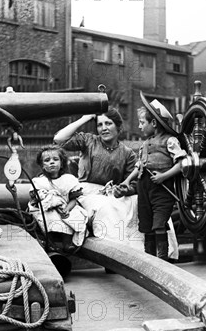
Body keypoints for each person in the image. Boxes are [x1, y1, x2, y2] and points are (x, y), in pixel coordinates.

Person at [121, 93, 187, 261]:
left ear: (154, 123)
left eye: (142, 122)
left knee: (159, 225)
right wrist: (127, 180)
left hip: (162, 190)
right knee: (146, 226)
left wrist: (164, 176)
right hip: (144, 189)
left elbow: (182, 163)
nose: (140, 126)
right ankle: (150, 262)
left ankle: (162, 262)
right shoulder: (144, 144)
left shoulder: (170, 141)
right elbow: (139, 166)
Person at [53, 108, 137, 198]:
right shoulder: (88, 141)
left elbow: (133, 185)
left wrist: (125, 190)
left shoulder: (128, 154)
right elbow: (59, 139)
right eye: (100, 125)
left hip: (110, 197)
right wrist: (85, 118)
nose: (104, 128)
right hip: (84, 194)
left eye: (108, 123)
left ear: (118, 126)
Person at [27, 145, 88, 253]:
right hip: (46, 208)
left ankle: (67, 242)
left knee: (74, 216)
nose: (52, 162)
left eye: (55, 159)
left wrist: (67, 209)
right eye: (47, 160)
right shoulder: (39, 181)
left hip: (65, 206)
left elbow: (74, 199)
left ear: (61, 163)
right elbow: (36, 200)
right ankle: (49, 242)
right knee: (47, 217)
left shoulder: (69, 179)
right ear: (42, 165)